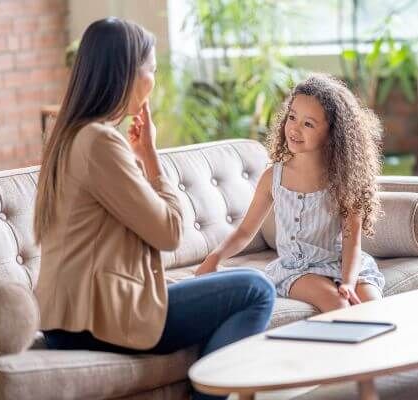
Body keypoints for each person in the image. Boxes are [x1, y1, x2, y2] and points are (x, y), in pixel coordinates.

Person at [33, 18, 275, 400]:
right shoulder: (99, 143)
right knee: (255, 288)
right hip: (98, 320)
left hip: (68, 317)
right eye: (153, 70)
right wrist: (151, 157)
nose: (155, 82)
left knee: (222, 291)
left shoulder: (67, 136)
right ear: (129, 74)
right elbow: (170, 232)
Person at [197, 73, 385, 312]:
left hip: (342, 262)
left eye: (308, 123)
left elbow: (352, 244)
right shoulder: (272, 177)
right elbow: (245, 231)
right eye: (292, 117)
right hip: (297, 269)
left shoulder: (346, 181)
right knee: (339, 304)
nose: (295, 129)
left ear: (334, 133)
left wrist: (348, 282)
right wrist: (214, 258)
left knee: (372, 305)